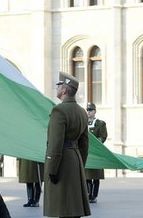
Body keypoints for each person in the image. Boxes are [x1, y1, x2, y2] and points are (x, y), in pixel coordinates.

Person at [44, 72, 90, 218]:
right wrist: (80, 164)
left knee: (63, 207)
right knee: (73, 208)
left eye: (59, 86)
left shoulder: (59, 110)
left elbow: (55, 143)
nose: (56, 88)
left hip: (61, 161)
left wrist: (51, 168)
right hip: (75, 159)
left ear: (64, 90)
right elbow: (84, 143)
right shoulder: (82, 112)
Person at [85, 102, 107, 204]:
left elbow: (103, 137)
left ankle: (94, 196)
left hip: (97, 154)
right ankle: (88, 194)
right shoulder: (83, 123)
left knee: (96, 177)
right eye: (88, 110)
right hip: (87, 153)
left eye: (91, 110)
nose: (89, 112)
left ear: (95, 111)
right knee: (87, 176)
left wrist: (97, 142)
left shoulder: (100, 123)